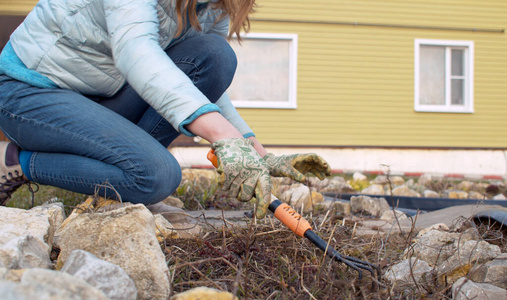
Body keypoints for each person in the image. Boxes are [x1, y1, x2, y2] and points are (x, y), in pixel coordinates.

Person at [0, 0, 331, 219]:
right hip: (29, 92)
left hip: (102, 93)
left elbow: (199, 80)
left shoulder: (216, 4)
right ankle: (22, 162)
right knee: (157, 176)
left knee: (215, 55)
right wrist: (222, 137)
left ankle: (127, 170)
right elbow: (135, 51)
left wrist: (253, 149)